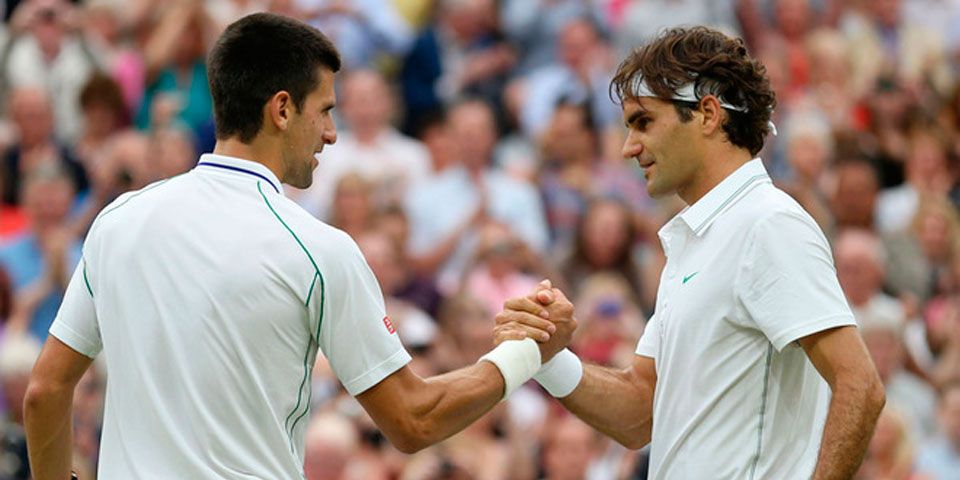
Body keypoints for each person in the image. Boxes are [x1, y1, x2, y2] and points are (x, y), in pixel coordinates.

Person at [23, 13, 573, 479]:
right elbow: (413, 419)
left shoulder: (118, 220)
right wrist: (529, 351)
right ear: (282, 110)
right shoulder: (318, 249)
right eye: (326, 111)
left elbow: (45, 391)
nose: (331, 134)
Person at [498, 26, 885, 479]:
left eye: (644, 121)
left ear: (706, 114)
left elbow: (860, 385)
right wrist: (548, 356)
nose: (628, 147)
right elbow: (641, 412)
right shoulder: (697, 237)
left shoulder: (768, 223)